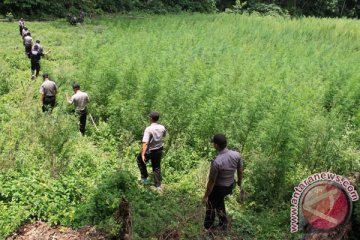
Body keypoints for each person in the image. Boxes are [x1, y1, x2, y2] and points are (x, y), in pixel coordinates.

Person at [203, 134, 243, 231]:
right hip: (229, 186)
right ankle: (223, 223)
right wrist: (239, 182)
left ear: (216, 145)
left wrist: (206, 196)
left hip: (219, 187)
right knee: (219, 201)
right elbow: (240, 170)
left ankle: (208, 227)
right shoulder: (236, 155)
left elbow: (212, 181)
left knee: (211, 204)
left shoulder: (217, 162)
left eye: (213, 143)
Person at [137, 112, 166, 190]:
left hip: (150, 150)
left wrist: (143, 154)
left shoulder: (148, 129)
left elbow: (145, 143)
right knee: (156, 166)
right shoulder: (162, 127)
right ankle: (158, 185)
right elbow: (164, 135)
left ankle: (145, 179)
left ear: (151, 118)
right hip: (159, 149)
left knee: (140, 160)